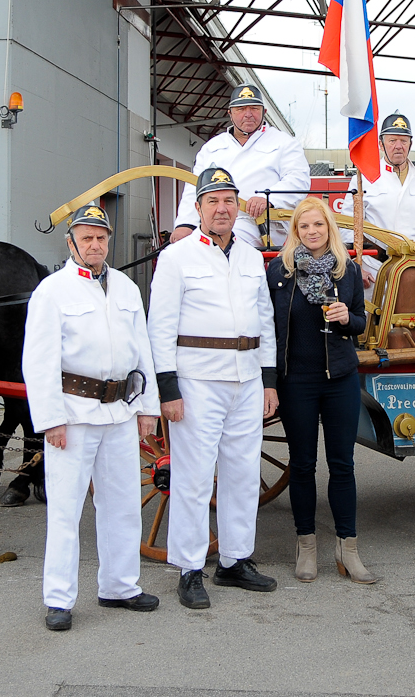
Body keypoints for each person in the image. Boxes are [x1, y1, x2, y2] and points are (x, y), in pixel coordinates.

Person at [22, 204, 162, 631]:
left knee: (122, 505)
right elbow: (38, 361)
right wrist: (51, 420)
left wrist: (148, 408)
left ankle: (119, 586)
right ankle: (59, 599)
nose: (95, 245)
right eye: (86, 238)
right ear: (71, 243)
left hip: (120, 411)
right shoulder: (52, 291)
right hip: (74, 414)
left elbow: (142, 351)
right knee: (66, 510)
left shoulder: (126, 288)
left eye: (101, 238)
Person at [149, 166, 280, 608]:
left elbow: (265, 321)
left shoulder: (250, 257)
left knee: (242, 474)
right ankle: (189, 568)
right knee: (193, 477)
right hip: (198, 380)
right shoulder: (177, 258)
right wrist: (168, 389)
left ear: (237, 206)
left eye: (229, 200)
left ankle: (234, 560)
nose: (222, 208)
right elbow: (160, 326)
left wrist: (268, 380)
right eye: (213, 201)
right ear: (198, 208)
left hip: (246, 378)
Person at [267, 197, 375, 584]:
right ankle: (307, 546)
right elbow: (269, 328)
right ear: (295, 232)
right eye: (304, 226)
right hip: (296, 380)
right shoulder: (280, 271)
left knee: (343, 465)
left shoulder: (347, 271)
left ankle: (348, 549)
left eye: (318, 225)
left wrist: (348, 318)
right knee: (302, 465)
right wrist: (270, 381)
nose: (312, 232)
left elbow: (361, 323)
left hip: (339, 379)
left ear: (329, 228)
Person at [170, 84, 310, 250]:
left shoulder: (284, 142)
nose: (248, 114)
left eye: (254, 108)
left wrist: (268, 198)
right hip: (212, 221)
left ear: (264, 112)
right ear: (230, 113)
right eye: (241, 109)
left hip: (259, 222)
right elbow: (194, 187)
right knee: (177, 251)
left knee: (220, 246)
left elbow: (298, 180)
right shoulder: (212, 147)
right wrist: (185, 224)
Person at [339, 112, 415, 291]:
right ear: (381, 144)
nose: (398, 146)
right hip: (373, 270)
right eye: (392, 140)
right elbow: (348, 226)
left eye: (404, 141)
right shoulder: (363, 178)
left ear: (410, 144)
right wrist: (355, 267)